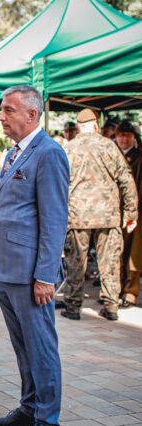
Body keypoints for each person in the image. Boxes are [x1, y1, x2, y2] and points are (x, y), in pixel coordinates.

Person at [0, 85, 70, 426]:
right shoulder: (14, 152)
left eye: (8, 110)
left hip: (29, 273)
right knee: (23, 347)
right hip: (6, 269)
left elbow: (54, 220)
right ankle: (29, 406)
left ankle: (47, 421)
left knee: (41, 347)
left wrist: (44, 276)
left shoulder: (48, 153)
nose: (1, 117)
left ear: (31, 115)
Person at [62, 109, 137, 321]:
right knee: (110, 262)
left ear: (78, 126)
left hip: (78, 215)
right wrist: (131, 212)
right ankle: (111, 307)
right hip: (108, 214)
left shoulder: (69, 149)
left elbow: (58, 183)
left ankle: (73, 307)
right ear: (96, 124)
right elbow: (126, 179)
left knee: (76, 262)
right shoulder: (109, 146)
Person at [117, 121, 142, 308]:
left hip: (136, 213)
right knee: (117, 253)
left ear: (134, 138)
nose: (124, 139)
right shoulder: (113, 156)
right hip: (115, 213)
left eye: (127, 135)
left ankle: (130, 293)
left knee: (134, 255)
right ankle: (116, 290)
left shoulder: (139, 158)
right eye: (120, 135)